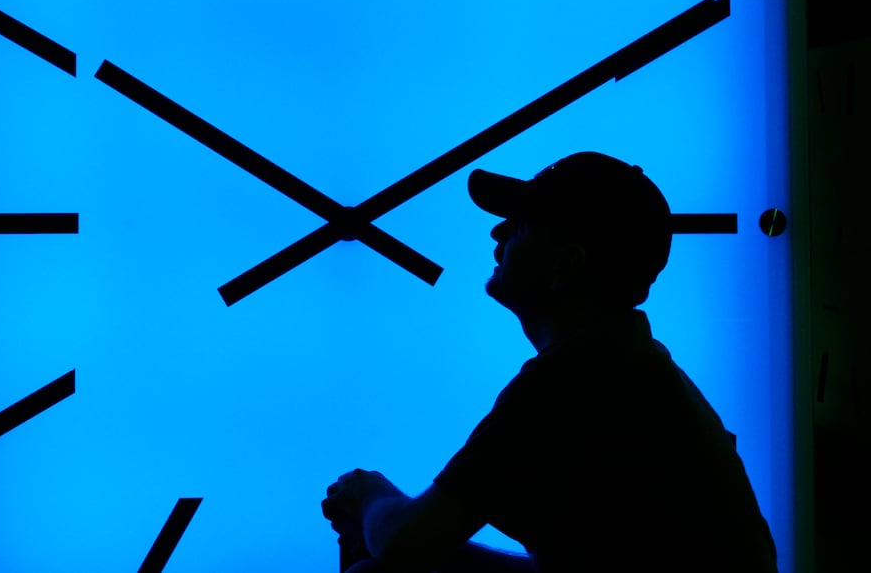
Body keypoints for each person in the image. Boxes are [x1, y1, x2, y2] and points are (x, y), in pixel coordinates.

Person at [321, 152, 778, 573]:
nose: (497, 232)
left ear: (566, 266)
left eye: (520, 225)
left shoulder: (573, 380)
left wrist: (368, 496)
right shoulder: (630, 366)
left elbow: (407, 542)